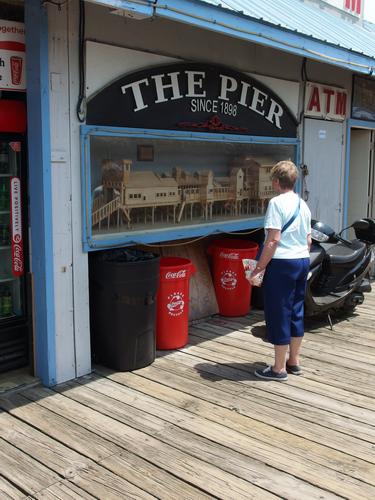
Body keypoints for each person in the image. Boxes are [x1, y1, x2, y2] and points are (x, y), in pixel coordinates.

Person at [250, 160, 311, 381]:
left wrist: (259, 267)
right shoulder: (302, 204)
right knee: (296, 309)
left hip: (282, 264)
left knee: (278, 312)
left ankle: (278, 368)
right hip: (302, 260)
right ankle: (293, 361)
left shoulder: (276, 204)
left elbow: (273, 241)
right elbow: (309, 239)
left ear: (276, 181)